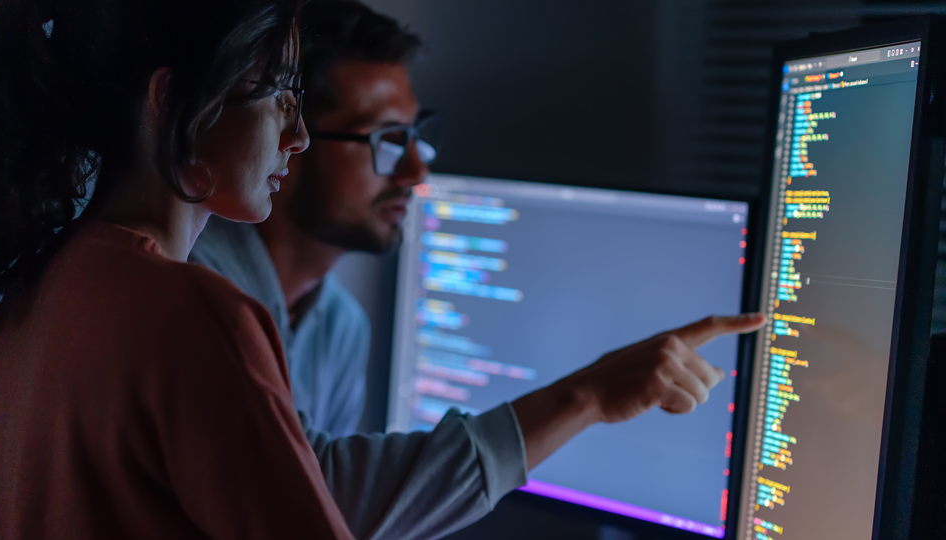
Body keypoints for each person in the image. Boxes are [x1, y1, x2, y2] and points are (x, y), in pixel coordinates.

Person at [188, 2, 766, 540]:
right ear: (294, 138)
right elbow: (314, 496)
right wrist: (589, 395)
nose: (417, 169)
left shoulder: (340, 328)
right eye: (389, 139)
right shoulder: (198, 294)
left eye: (417, 135)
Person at [0, 0, 356, 538]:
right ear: (173, 98)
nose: (299, 134)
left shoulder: (24, 296)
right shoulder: (198, 318)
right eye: (281, 94)